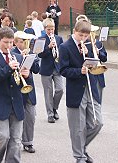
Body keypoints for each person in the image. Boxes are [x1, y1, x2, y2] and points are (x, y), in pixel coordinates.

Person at [0, 27, 30, 163]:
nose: (9, 46)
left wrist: (27, 76)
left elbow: (24, 82)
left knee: (16, 140)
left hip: (16, 104)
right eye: (6, 42)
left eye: (11, 43)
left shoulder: (19, 57)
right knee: (3, 137)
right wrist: (8, 68)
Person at [59, 18, 102, 163]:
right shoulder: (65, 47)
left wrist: (92, 53)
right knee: (77, 128)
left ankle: (82, 148)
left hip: (91, 89)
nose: (83, 38)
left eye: (86, 36)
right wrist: (79, 70)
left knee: (97, 123)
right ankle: (80, 157)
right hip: (76, 90)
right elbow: (63, 70)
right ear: (74, 32)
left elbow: (97, 63)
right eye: (81, 35)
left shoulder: (89, 45)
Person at [12, 32, 40, 154]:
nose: (24, 44)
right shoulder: (12, 53)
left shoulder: (31, 53)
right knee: (17, 117)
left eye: (26, 42)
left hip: (29, 89)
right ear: (16, 42)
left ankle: (28, 142)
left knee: (31, 117)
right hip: (17, 89)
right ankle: (15, 141)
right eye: (22, 41)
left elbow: (37, 70)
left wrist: (31, 59)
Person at [37, 18, 64, 123]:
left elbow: (61, 52)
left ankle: (54, 108)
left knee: (60, 89)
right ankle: (50, 114)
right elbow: (39, 54)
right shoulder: (41, 39)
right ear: (45, 29)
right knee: (48, 92)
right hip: (46, 68)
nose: (51, 31)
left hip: (57, 68)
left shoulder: (59, 38)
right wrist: (48, 47)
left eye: (52, 29)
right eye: (48, 29)